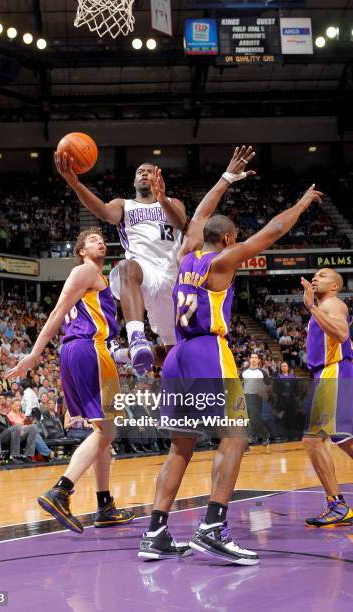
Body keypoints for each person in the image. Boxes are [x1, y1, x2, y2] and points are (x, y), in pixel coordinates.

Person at [139, 146, 323, 564]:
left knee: (180, 448)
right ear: (227, 240)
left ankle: (155, 532)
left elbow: (199, 217)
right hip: (207, 351)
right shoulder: (220, 262)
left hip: (176, 357)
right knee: (236, 436)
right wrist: (300, 203)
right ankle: (212, 527)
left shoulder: (187, 253)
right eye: (235, 239)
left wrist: (225, 177)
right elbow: (273, 231)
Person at [8, 227, 134, 532]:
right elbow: (56, 313)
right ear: (80, 250)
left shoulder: (97, 278)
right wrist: (35, 354)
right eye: (92, 240)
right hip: (88, 349)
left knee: (103, 431)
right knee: (107, 431)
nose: (100, 242)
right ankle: (61, 490)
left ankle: (104, 505)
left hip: (88, 349)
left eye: (102, 238)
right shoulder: (84, 271)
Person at [54, 152, 187, 374]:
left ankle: (120, 354)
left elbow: (182, 222)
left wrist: (162, 198)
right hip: (142, 274)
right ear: (134, 181)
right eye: (140, 172)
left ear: (159, 177)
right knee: (126, 266)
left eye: (149, 171)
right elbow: (104, 212)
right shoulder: (124, 205)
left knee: (172, 355)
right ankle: (136, 336)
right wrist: (75, 183)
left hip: (171, 278)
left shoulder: (173, 203)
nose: (144, 174)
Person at [301, 268, 353, 526]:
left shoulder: (333, 303)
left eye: (322, 275)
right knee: (340, 439)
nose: (315, 277)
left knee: (315, 440)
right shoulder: (326, 305)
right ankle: (337, 504)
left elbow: (342, 334)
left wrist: (311, 306)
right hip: (330, 373)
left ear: (334, 287)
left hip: (333, 370)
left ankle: (337, 505)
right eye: (315, 275)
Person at [241, 353, 268, 444]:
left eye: (255, 358)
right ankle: (256, 436)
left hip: (256, 397)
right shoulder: (244, 372)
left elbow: (270, 384)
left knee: (254, 418)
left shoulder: (262, 372)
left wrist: (263, 391)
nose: (253, 359)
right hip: (246, 397)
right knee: (250, 418)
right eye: (252, 357)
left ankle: (261, 436)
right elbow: (237, 383)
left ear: (258, 360)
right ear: (249, 360)